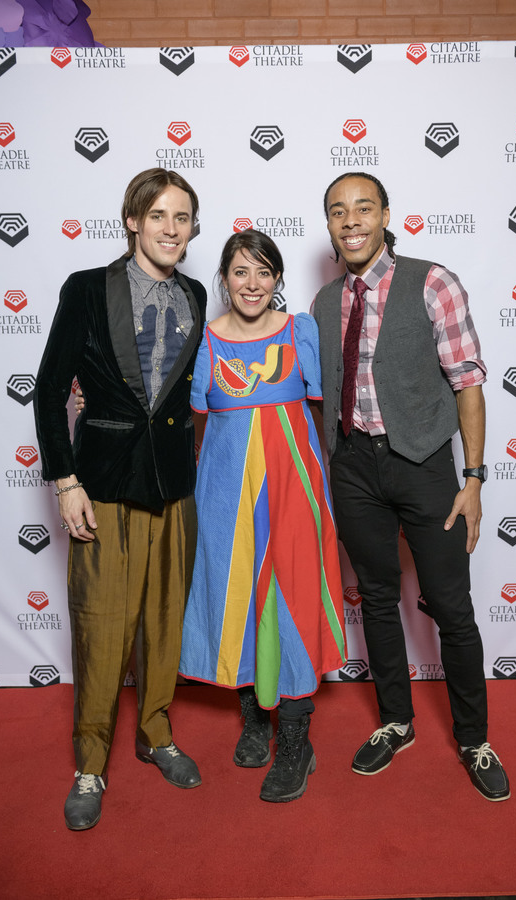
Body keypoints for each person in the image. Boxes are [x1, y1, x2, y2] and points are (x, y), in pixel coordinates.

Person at [312, 172, 510, 802]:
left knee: (452, 607)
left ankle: (475, 738)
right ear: (329, 226)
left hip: (425, 464)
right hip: (353, 468)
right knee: (375, 597)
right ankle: (397, 722)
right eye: (338, 212)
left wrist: (473, 477)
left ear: (386, 214)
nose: (351, 221)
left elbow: (468, 382)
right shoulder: (322, 303)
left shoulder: (432, 281)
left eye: (363, 208)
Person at [33, 169, 207, 831]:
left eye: (182, 217)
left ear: (193, 228)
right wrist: (65, 480)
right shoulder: (85, 289)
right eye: (158, 215)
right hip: (102, 482)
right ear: (133, 220)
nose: (170, 228)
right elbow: (50, 391)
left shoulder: (194, 294)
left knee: (165, 621)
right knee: (104, 626)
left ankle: (156, 732)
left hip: (172, 484)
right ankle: (91, 760)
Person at [178, 229, 346, 803]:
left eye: (264, 272)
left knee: (293, 596)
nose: (252, 284)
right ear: (224, 278)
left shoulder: (301, 330)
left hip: (295, 486)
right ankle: (253, 716)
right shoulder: (204, 340)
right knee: (239, 596)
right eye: (240, 272)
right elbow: (186, 416)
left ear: (277, 279)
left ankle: (296, 739)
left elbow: (327, 411)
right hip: (225, 489)